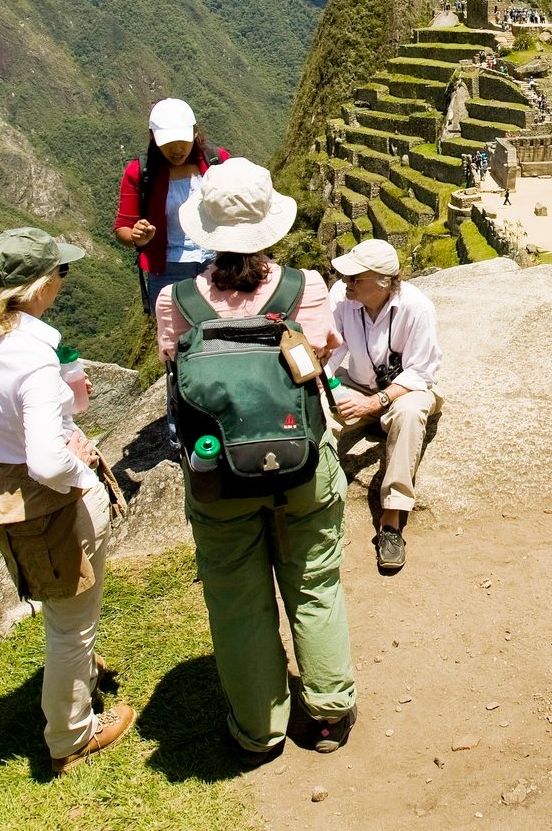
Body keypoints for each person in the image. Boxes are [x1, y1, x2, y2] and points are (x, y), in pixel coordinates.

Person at [153, 159, 357, 762]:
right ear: (270, 226)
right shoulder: (307, 289)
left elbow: (176, 369)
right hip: (301, 467)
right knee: (316, 585)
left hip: (217, 475)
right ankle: (327, 713)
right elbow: (324, 356)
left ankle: (260, 728)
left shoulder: (178, 300)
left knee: (237, 600)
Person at [0, 227, 133, 775]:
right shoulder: (34, 355)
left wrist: (1, 434)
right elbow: (48, 462)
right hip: (51, 498)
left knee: (57, 603)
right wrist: (82, 471)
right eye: (61, 272)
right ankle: (70, 735)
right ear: (42, 283)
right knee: (72, 621)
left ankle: (78, 677)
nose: (63, 281)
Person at [325, 239, 442, 574]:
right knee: (311, 404)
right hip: (356, 383)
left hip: (404, 390)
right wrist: (323, 387)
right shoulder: (343, 298)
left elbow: (420, 372)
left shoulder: (417, 308)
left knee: (410, 413)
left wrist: (374, 402)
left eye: (353, 278)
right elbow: (332, 350)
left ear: (382, 281)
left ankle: (391, 521)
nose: (345, 282)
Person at [114, 97, 230, 312]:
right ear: (153, 138)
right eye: (168, 143)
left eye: (182, 142)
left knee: (221, 333)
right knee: (174, 338)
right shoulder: (140, 172)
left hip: (218, 264)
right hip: (168, 269)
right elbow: (123, 227)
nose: (176, 150)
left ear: (195, 132)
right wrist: (137, 238)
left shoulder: (217, 161)